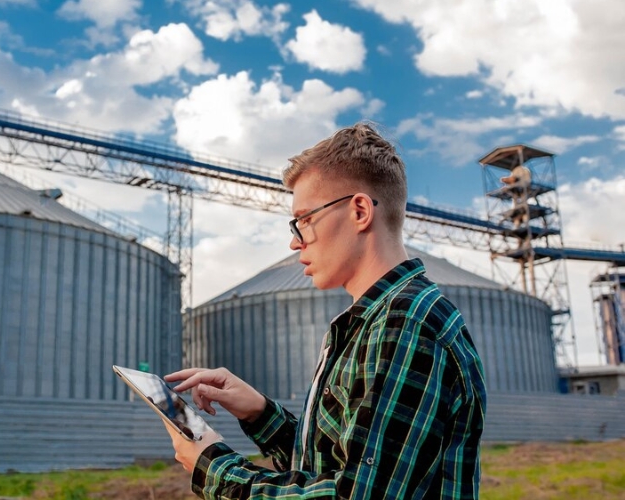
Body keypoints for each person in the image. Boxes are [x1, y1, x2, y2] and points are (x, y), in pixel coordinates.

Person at [163, 122, 487, 499]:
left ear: (360, 211)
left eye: (304, 220)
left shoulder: (407, 322)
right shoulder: (371, 321)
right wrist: (259, 412)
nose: (294, 241)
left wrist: (213, 468)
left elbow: (357, 495)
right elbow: (338, 466)